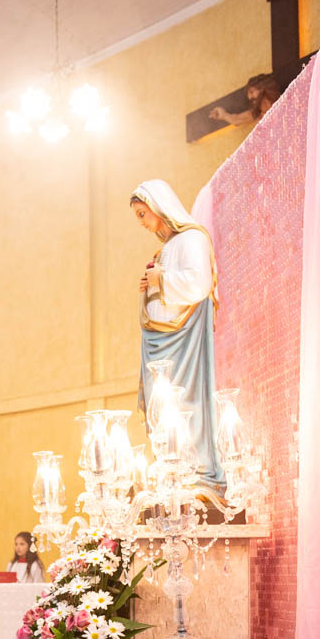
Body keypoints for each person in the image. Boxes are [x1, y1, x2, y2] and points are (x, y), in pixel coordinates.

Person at [130, 179, 225, 492]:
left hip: (183, 342)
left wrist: (160, 280)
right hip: (158, 342)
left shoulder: (192, 238)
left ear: (159, 205)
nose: (141, 222)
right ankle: (170, 471)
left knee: (185, 399)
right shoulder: (167, 248)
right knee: (161, 404)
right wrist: (151, 286)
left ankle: (195, 470)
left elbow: (198, 284)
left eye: (142, 214)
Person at [209, 73, 280, 127]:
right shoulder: (257, 114)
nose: (250, 97)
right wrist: (223, 115)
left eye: (252, 92)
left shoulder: (281, 102)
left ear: (263, 87)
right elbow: (236, 119)